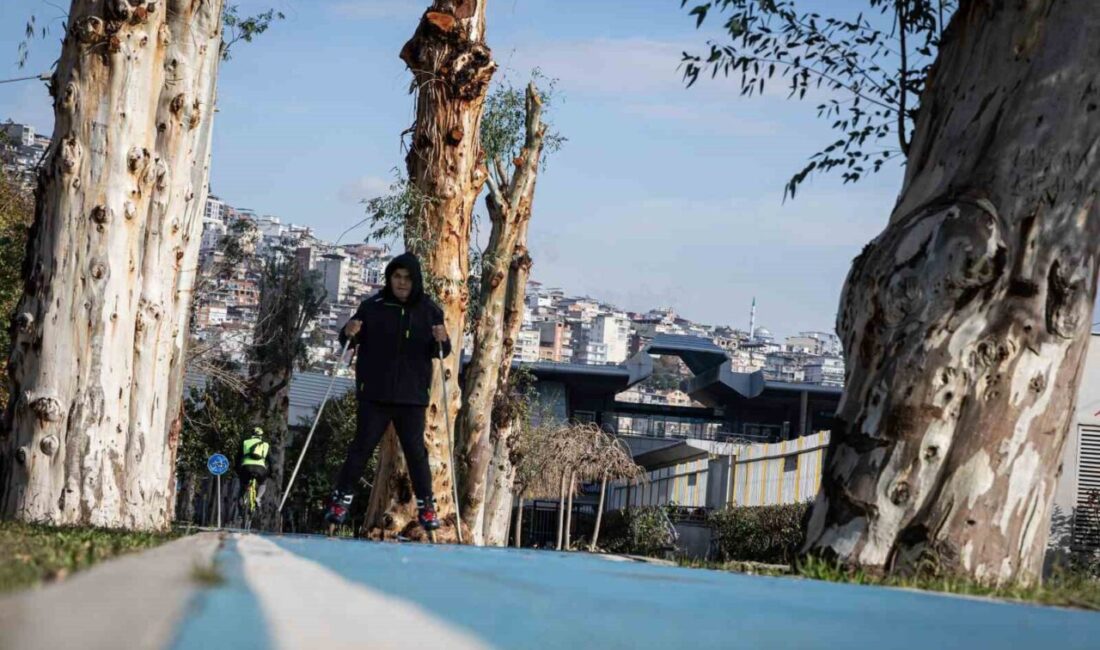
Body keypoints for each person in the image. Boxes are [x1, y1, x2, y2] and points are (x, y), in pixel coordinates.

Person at [325, 252, 451, 532]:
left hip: (411, 396)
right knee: (360, 448)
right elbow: (347, 339)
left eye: (407, 278)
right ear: (389, 278)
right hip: (375, 393)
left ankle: (427, 505)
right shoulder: (373, 307)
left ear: (415, 280)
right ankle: (340, 500)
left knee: (416, 452)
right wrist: (349, 331)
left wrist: (443, 340)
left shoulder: (429, 310)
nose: (402, 283)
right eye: (397, 277)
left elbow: (441, 350)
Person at [237, 426, 270, 512]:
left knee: (243, 486)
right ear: (261, 435)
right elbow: (270, 461)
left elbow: (238, 457)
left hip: (246, 467)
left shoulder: (245, 442)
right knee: (263, 483)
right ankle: (258, 498)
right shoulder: (266, 445)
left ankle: (241, 504)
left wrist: (237, 469)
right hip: (260, 469)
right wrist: (271, 473)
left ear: (252, 434)